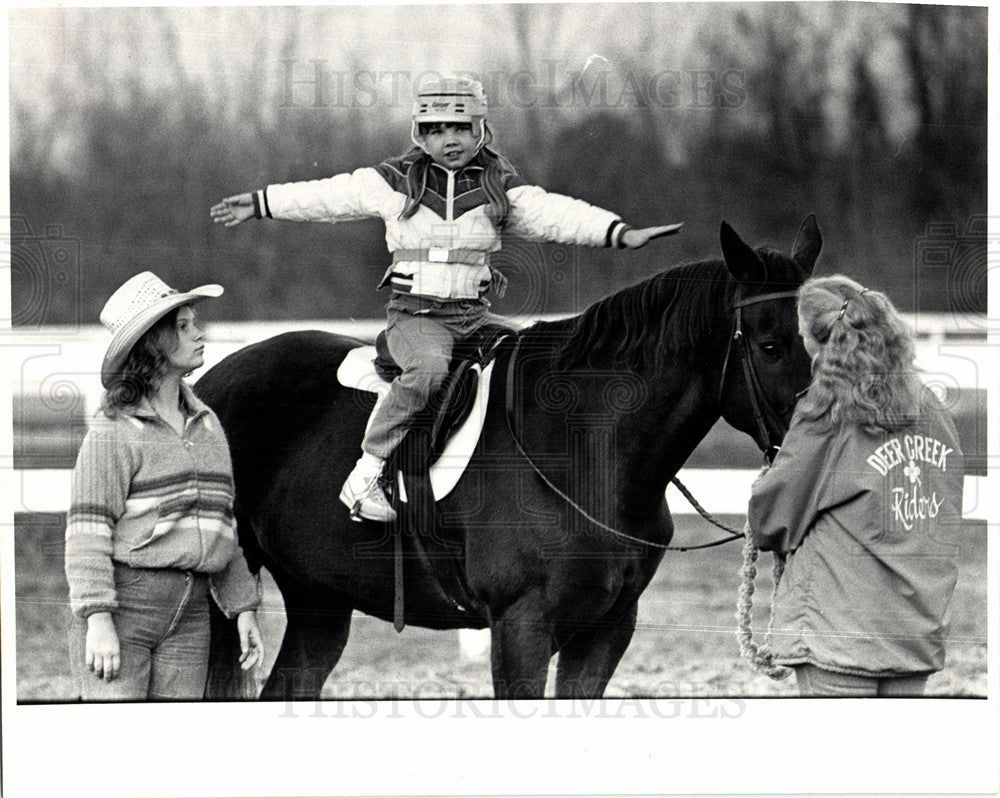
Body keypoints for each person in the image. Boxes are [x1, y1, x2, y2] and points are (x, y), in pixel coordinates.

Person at [210, 75, 682, 523]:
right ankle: (368, 472)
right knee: (428, 371)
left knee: (535, 361)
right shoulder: (393, 182)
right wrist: (260, 202)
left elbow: (555, 213)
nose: (448, 139)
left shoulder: (501, 186)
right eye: (435, 130)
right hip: (415, 319)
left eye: (460, 127)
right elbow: (328, 196)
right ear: (419, 134)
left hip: (474, 318)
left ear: (480, 129)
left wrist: (618, 232)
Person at [746, 274, 964, 697]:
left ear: (814, 339)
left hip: (837, 635)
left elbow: (771, 521)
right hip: (913, 633)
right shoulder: (932, 408)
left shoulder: (825, 416)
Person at [64, 271, 264, 701]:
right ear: (153, 342)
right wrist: (98, 619)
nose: (199, 334)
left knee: (175, 744)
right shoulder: (114, 431)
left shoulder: (208, 425)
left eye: (194, 323)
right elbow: (87, 531)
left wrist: (243, 608)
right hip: (124, 608)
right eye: (183, 326)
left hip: (192, 613)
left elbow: (221, 526)